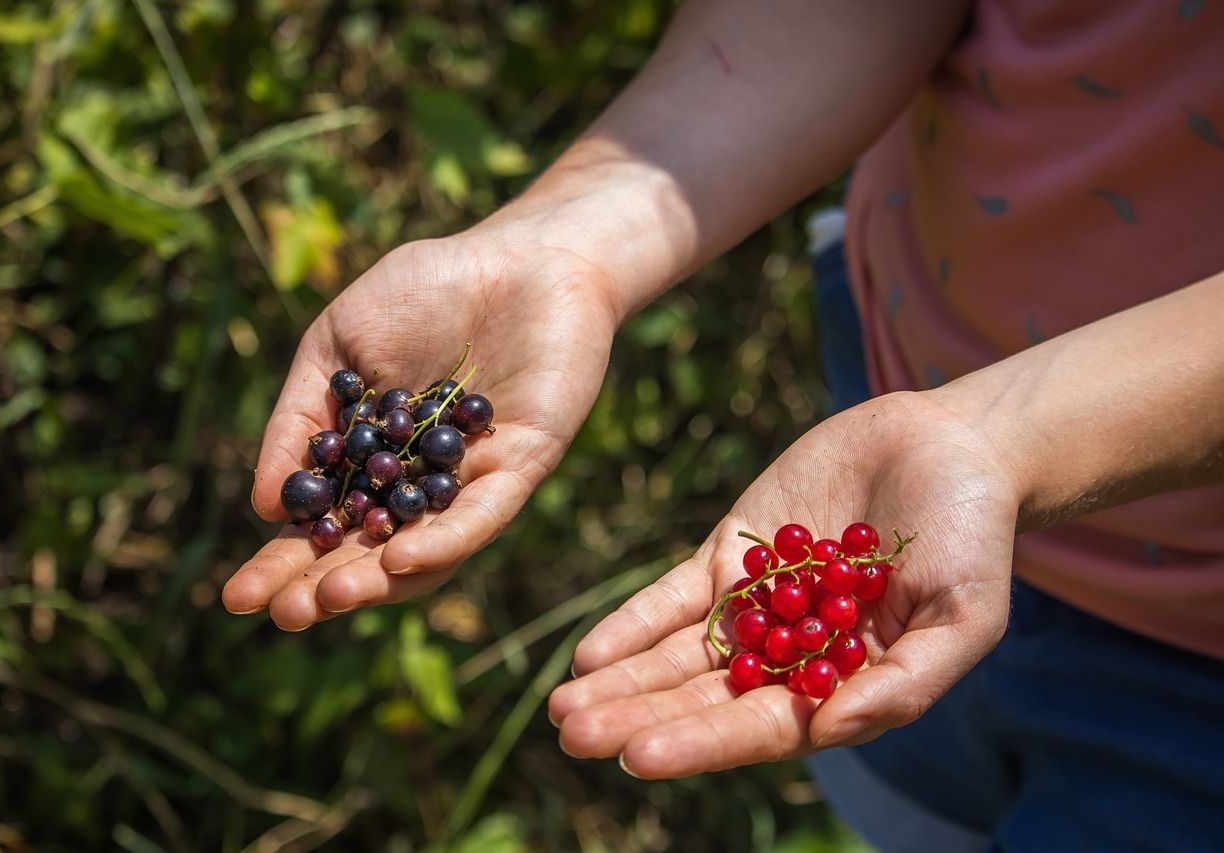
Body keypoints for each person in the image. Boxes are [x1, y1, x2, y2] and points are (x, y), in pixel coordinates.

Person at [223, 2, 1224, 849]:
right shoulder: (860, 531)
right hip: (898, 386)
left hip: (1193, 672)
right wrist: (568, 242)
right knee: (905, 807)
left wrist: (1008, 444)